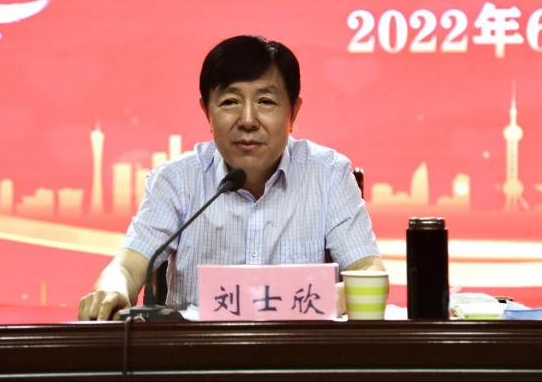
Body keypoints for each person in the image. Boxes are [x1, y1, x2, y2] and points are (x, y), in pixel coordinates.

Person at [78, 35, 385, 320]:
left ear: (293, 111)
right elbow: (126, 268)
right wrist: (112, 290)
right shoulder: (176, 181)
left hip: (300, 352)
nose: (248, 120)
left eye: (265, 102)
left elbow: (368, 271)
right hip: (196, 354)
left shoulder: (329, 175)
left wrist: (315, 297)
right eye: (230, 102)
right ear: (206, 112)